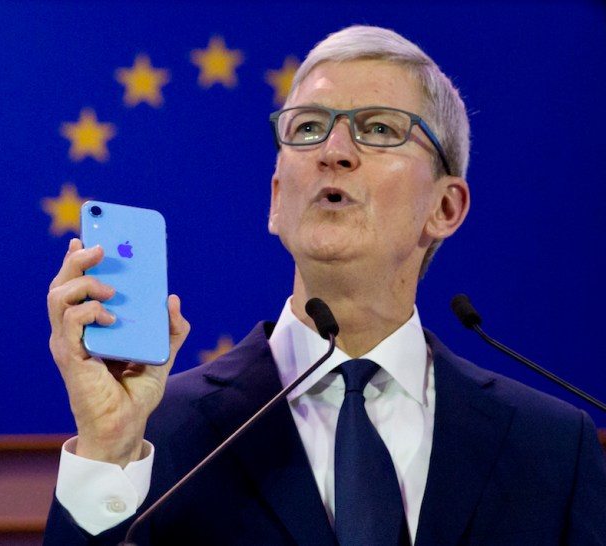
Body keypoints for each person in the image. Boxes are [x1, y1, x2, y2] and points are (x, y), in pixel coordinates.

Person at [43, 25, 606, 545]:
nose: (333, 152)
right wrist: (109, 449)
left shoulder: (553, 448)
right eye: (307, 128)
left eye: (379, 128)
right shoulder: (158, 430)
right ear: (276, 198)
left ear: (445, 206)